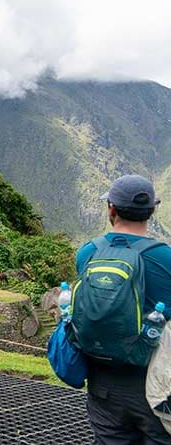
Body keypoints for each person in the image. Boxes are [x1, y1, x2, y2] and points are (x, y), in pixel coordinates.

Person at [76, 175, 171, 444]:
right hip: (157, 385)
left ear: (111, 209)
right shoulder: (166, 258)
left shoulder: (88, 254)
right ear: (152, 211)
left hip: (102, 383)